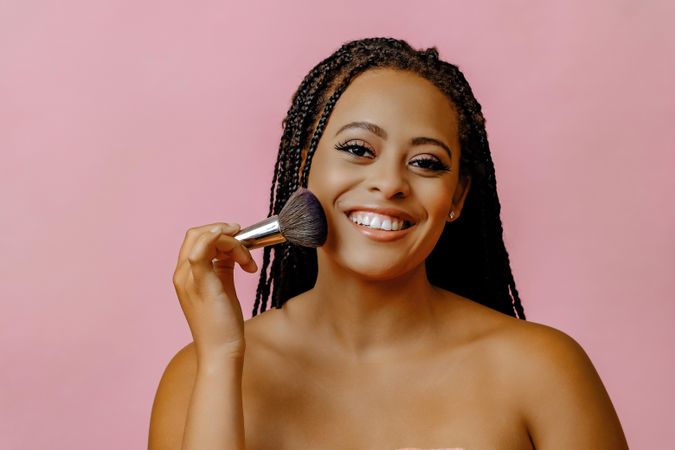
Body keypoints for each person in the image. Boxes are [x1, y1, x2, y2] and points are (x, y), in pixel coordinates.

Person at [148, 37, 628, 450]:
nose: (390, 183)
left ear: (456, 196)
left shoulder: (542, 369)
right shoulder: (199, 373)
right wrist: (222, 359)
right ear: (303, 168)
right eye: (358, 150)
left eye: (426, 162)